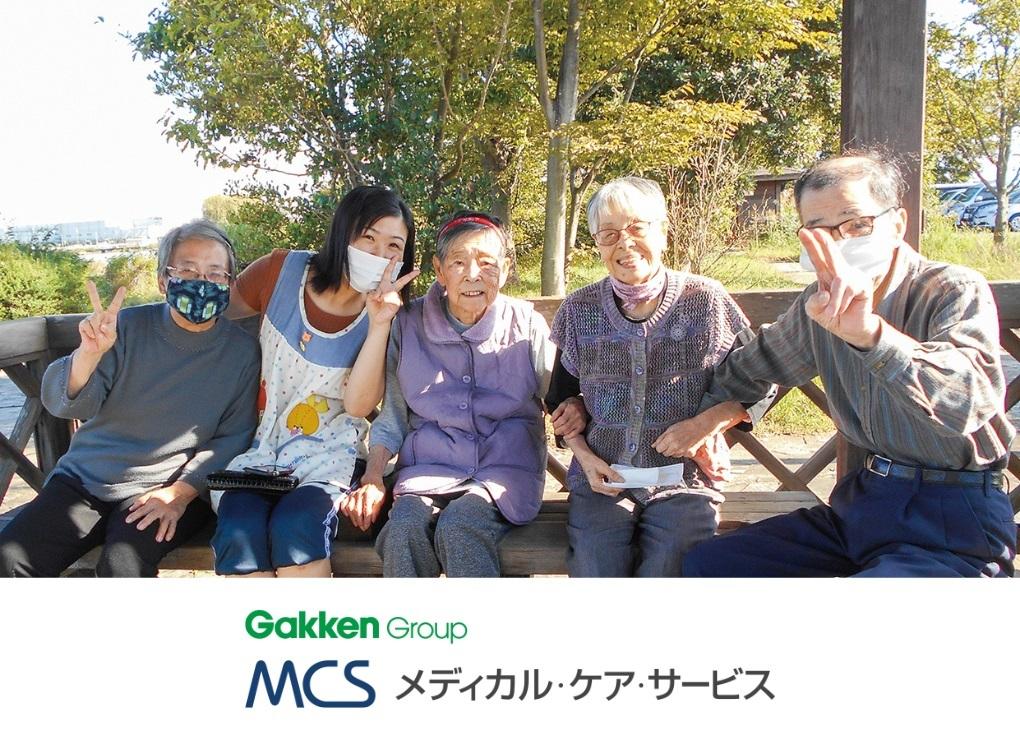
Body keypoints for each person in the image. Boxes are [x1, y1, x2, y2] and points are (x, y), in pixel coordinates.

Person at [682, 150, 1017, 577]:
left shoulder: (951, 288)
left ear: (897, 224)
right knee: (710, 565)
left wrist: (871, 334)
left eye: (857, 224)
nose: (838, 243)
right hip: (864, 501)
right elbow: (751, 367)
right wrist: (715, 417)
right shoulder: (818, 304)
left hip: (953, 510)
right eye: (818, 231)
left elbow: (969, 401)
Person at [0, 220, 259, 577]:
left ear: (230, 283)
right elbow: (67, 403)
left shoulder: (241, 352)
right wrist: (88, 355)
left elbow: (233, 437)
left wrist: (180, 493)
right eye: (187, 270)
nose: (203, 282)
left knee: (123, 564)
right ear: (163, 279)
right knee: (10, 559)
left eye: (216, 274)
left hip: (168, 486)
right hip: (86, 479)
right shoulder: (124, 328)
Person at [548, 176, 773, 577]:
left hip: (685, 480)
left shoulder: (706, 300)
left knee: (673, 562)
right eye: (609, 234)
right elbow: (560, 405)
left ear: (664, 233)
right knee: (595, 564)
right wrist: (584, 456)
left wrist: (707, 424)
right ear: (598, 244)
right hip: (604, 480)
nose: (625, 243)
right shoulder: (579, 309)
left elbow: (762, 381)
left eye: (637, 228)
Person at [359, 211, 585, 577]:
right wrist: (372, 476)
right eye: (459, 262)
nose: (473, 274)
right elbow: (393, 416)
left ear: (505, 269)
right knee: (402, 528)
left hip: (504, 472)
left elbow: (559, 399)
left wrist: (576, 410)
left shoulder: (525, 323)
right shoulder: (408, 323)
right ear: (439, 270)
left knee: (461, 525)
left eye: (487, 263)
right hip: (426, 471)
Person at [211, 185, 418, 578]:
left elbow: (359, 406)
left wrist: (379, 324)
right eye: (368, 238)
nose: (380, 254)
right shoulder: (279, 272)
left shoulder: (391, 315)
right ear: (343, 234)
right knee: (239, 527)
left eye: (394, 246)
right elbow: (208, 317)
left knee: (297, 528)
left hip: (330, 457)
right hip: (256, 450)